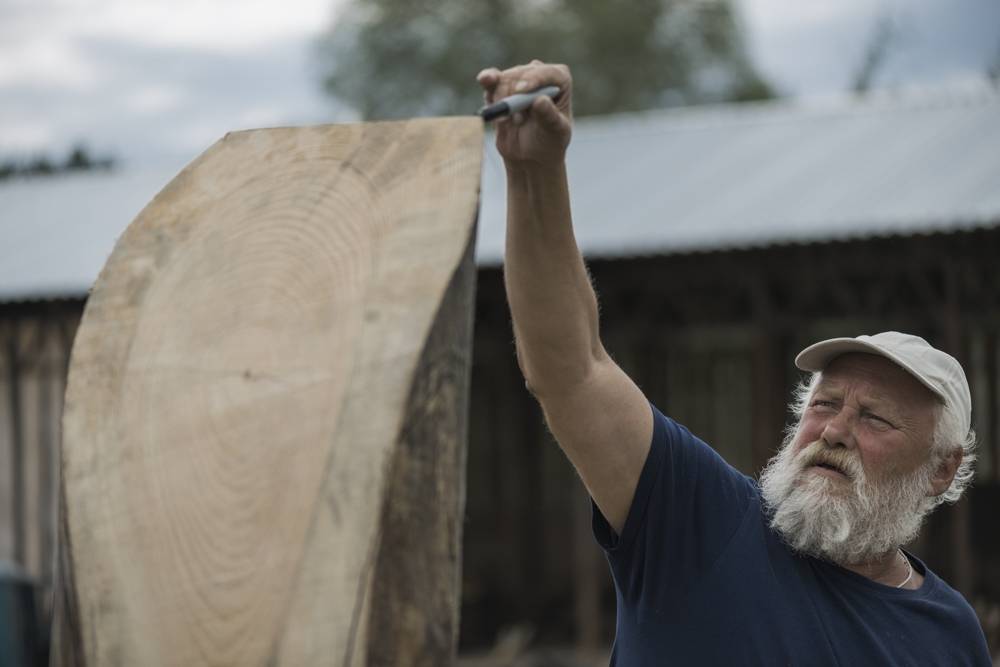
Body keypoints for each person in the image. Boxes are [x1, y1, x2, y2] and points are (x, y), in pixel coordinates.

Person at [476, 60, 992, 665]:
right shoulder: (700, 521)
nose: (834, 431)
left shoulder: (951, 633)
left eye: (875, 418)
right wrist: (535, 173)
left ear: (940, 470)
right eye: (824, 404)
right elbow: (572, 369)